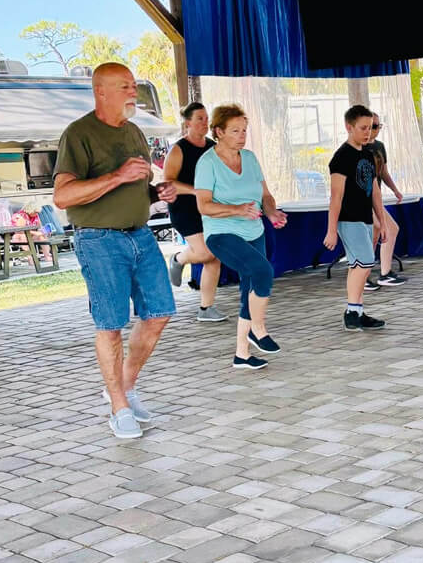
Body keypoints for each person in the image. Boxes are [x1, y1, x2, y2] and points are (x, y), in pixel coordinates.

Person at [53, 63, 177, 440]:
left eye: (133, 86)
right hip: (99, 240)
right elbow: (62, 195)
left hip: (140, 235)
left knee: (159, 313)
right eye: (124, 86)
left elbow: (137, 186)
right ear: (100, 92)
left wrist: (158, 193)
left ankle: (122, 388)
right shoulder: (79, 134)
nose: (133, 92)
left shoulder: (135, 132)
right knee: (110, 325)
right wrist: (117, 176)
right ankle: (119, 407)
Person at [194, 103, 288, 370]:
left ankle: (242, 354)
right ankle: (257, 328)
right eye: (235, 130)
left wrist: (271, 213)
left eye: (244, 130)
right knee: (263, 272)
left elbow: (265, 196)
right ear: (219, 131)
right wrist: (236, 210)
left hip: (254, 230)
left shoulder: (249, 158)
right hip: (222, 233)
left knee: (250, 287)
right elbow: (203, 205)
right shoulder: (207, 163)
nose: (242, 135)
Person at [325, 105, 388, 332]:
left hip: (365, 218)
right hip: (348, 218)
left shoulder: (368, 154)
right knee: (365, 262)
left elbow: (375, 191)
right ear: (349, 127)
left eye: (371, 127)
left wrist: (381, 220)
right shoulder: (342, 157)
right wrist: (332, 229)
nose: (368, 132)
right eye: (362, 128)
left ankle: (357, 311)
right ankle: (352, 311)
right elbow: (336, 196)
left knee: (359, 265)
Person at [165, 102, 226, 322]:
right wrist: (196, 191)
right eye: (199, 118)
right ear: (188, 122)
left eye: (206, 118)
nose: (204, 123)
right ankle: (179, 259)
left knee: (214, 258)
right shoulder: (178, 149)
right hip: (184, 209)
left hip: (208, 208)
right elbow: (169, 182)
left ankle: (206, 308)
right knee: (205, 253)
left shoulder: (212, 147)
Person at [365, 111, 406, 290]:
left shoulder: (379, 146)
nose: (375, 130)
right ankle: (372, 274)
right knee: (381, 231)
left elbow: (383, 172)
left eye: (378, 126)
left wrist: (395, 189)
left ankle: (382, 273)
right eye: (372, 126)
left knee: (386, 231)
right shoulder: (359, 148)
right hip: (364, 199)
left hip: (376, 197)